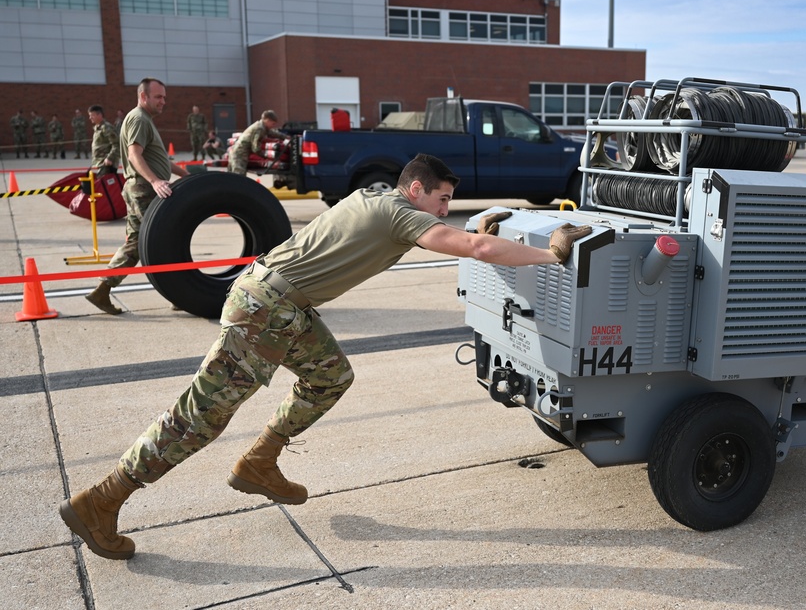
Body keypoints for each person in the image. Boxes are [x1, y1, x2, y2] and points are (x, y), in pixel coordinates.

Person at [59, 153, 591, 560]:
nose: (446, 209)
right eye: (443, 199)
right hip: (266, 310)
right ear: (415, 189)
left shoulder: (374, 200)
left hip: (281, 303)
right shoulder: (400, 213)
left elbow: (465, 237)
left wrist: (478, 230)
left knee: (330, 376)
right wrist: (550, 254)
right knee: (199, 418)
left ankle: (260, 460)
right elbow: (470, 248)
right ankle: (101, 501)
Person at [85, 78, 189, 315]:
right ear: (144, 97)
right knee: (161, 241)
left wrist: (185, 175)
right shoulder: (139, 119)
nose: (163, 101)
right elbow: (134, 155)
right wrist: (155, 181)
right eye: (158, 97)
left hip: (141, 188)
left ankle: (102, 290)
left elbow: (158, 158)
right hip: (144, 189)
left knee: (136, 244)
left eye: (164, 97)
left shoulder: (145, 120)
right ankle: (179, 295)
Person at [227, 110, 287, 176]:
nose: (273, 126)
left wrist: (285, 137)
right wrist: (265, 157)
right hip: (239, 154)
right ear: (267, 120)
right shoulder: (259, 129)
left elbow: (272, 133)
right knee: (239, 177)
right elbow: (255, 148)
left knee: (232, 177)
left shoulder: (262, 126)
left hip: (236, 152)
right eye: (273, 123)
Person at [88, 105, 120, 176]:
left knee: (105, 185)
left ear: (99, 115)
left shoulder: (106, 127)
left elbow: (117, 144)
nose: (90, 118)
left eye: (92, 115)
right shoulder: (98, 128)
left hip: (107, 164)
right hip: (100, 163)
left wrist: (110, 158)